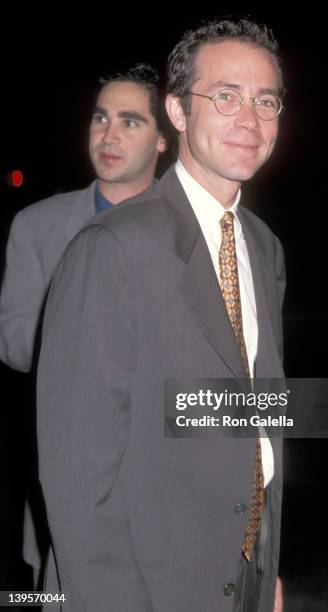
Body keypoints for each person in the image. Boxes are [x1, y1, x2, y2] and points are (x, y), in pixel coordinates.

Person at [37, 18, 285, 612]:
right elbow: (77, 477)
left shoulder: (263, 245)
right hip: (145, 586)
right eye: (225, 97)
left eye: (266, 100)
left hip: (241, 572)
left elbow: (255, 410)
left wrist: (263, 564)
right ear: (177, 112)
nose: (249, 120)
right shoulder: (113, 247)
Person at [0, 62, 167, 586]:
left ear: (164, 140)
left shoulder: (192, 231)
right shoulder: (38, 225)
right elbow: (14, 343)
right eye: (100, 118)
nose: (108, 135)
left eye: (130, 121)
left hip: (170, 492)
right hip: (70, 490)